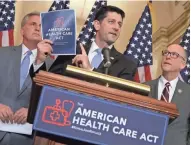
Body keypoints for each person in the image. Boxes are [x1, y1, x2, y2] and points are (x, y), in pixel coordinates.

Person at [35, 5, 137, 80]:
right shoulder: (72, 51)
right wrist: (39, 61)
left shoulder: (127, 65)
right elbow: (48, 81)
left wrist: (91, 70)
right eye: (111, 22)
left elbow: (120, 95)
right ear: (97, 25)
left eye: (119, 24)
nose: (116, 27)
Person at [0, 11, 49, 145]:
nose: (38, 28)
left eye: (41, 26)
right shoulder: (2, 53)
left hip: (25, 138)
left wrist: (33, 112)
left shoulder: (51, 65)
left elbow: (52, 101)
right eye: (33, 24)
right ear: (22, 30)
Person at [145, 44, 190, 145]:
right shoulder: (144, 87)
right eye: (166, 53)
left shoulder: (189, 93)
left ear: (183, 64)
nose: (168, 56)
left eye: (174, 54)